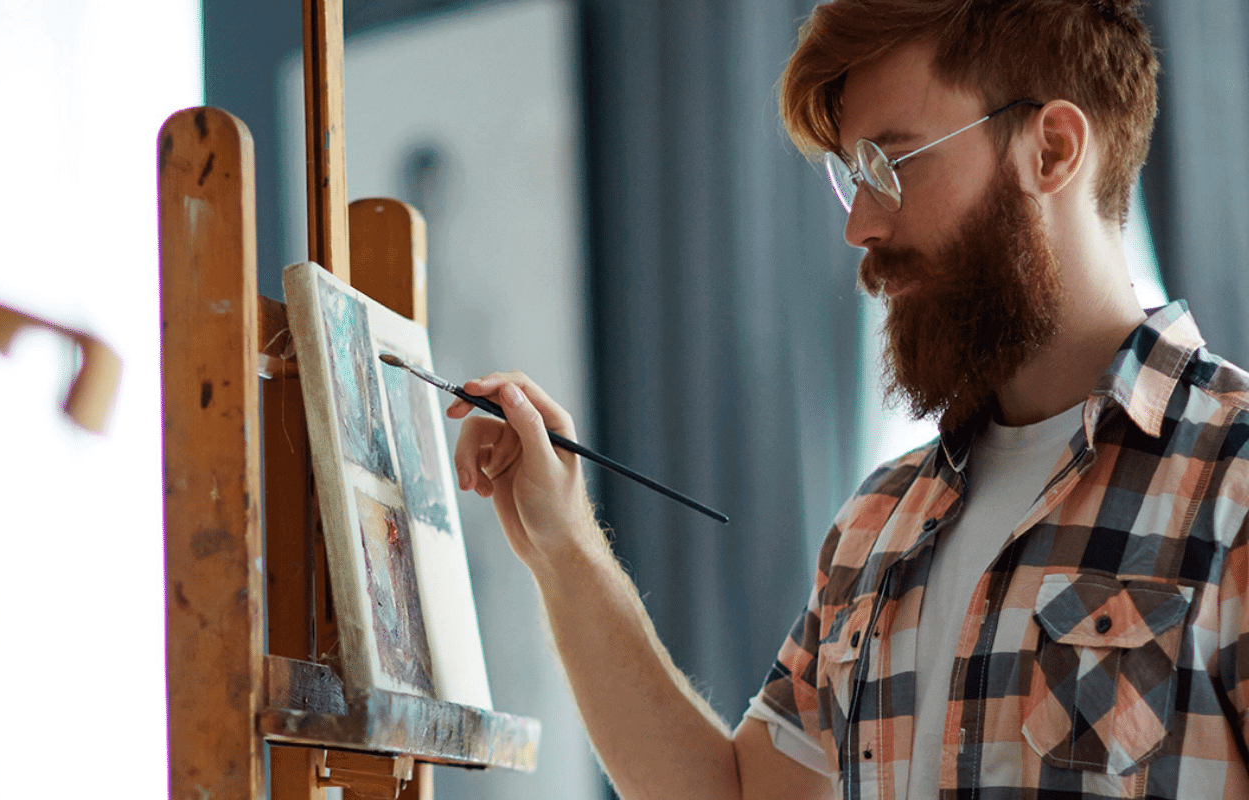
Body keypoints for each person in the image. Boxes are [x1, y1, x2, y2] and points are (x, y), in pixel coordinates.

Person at [447, 0, 1249, 797]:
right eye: (853, 176)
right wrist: (565, 547)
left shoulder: (1235, 486)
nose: (859, 225)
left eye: (892, 164)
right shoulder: (878, 527)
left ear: (1052, 150)